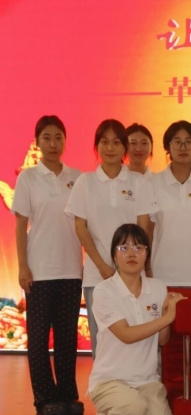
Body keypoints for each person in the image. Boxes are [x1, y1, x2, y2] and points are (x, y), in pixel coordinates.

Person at [65, 119, 158, 357]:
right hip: (98, 275)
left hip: (134, 275)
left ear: (125, 147)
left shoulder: (139, 182)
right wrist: (102, 266)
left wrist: (139, 266)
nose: (110, 148)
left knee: (138, 340)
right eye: (104, 142)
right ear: (96, 146)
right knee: (102, 343)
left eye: (116, 142)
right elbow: (80, 227)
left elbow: (144, 229)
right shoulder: (85, 182)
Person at [12, 116, 84, 415]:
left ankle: (67, 395)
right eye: (46, 138)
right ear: (37, 142)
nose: (53, 144)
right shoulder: (28, 178)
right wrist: (23, 267)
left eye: (58, 138)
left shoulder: (77, 178)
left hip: (71, 269)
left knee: (67, 338)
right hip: (39, 270)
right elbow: (20, 225)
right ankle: (44, 399)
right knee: (39, 340)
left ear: (65, 140)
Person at [88, 223, 185, 415]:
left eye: (139, 247)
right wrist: (167, 317)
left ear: (147, 254)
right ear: (114, 256)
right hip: (109, 381)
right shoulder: (104, 290)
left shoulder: (158, 287)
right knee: (133, 406)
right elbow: (126, 335)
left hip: (147, 382)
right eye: (124, 248)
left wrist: (166, 310)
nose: (132, 253)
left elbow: (162, 340)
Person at [149, 120, 191, 287]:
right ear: (168, 147)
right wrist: (146, 266)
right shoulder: (154, 182)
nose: (183, 147)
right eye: (177, 142)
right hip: (161, 273)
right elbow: (148, 230)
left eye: (188, 142)